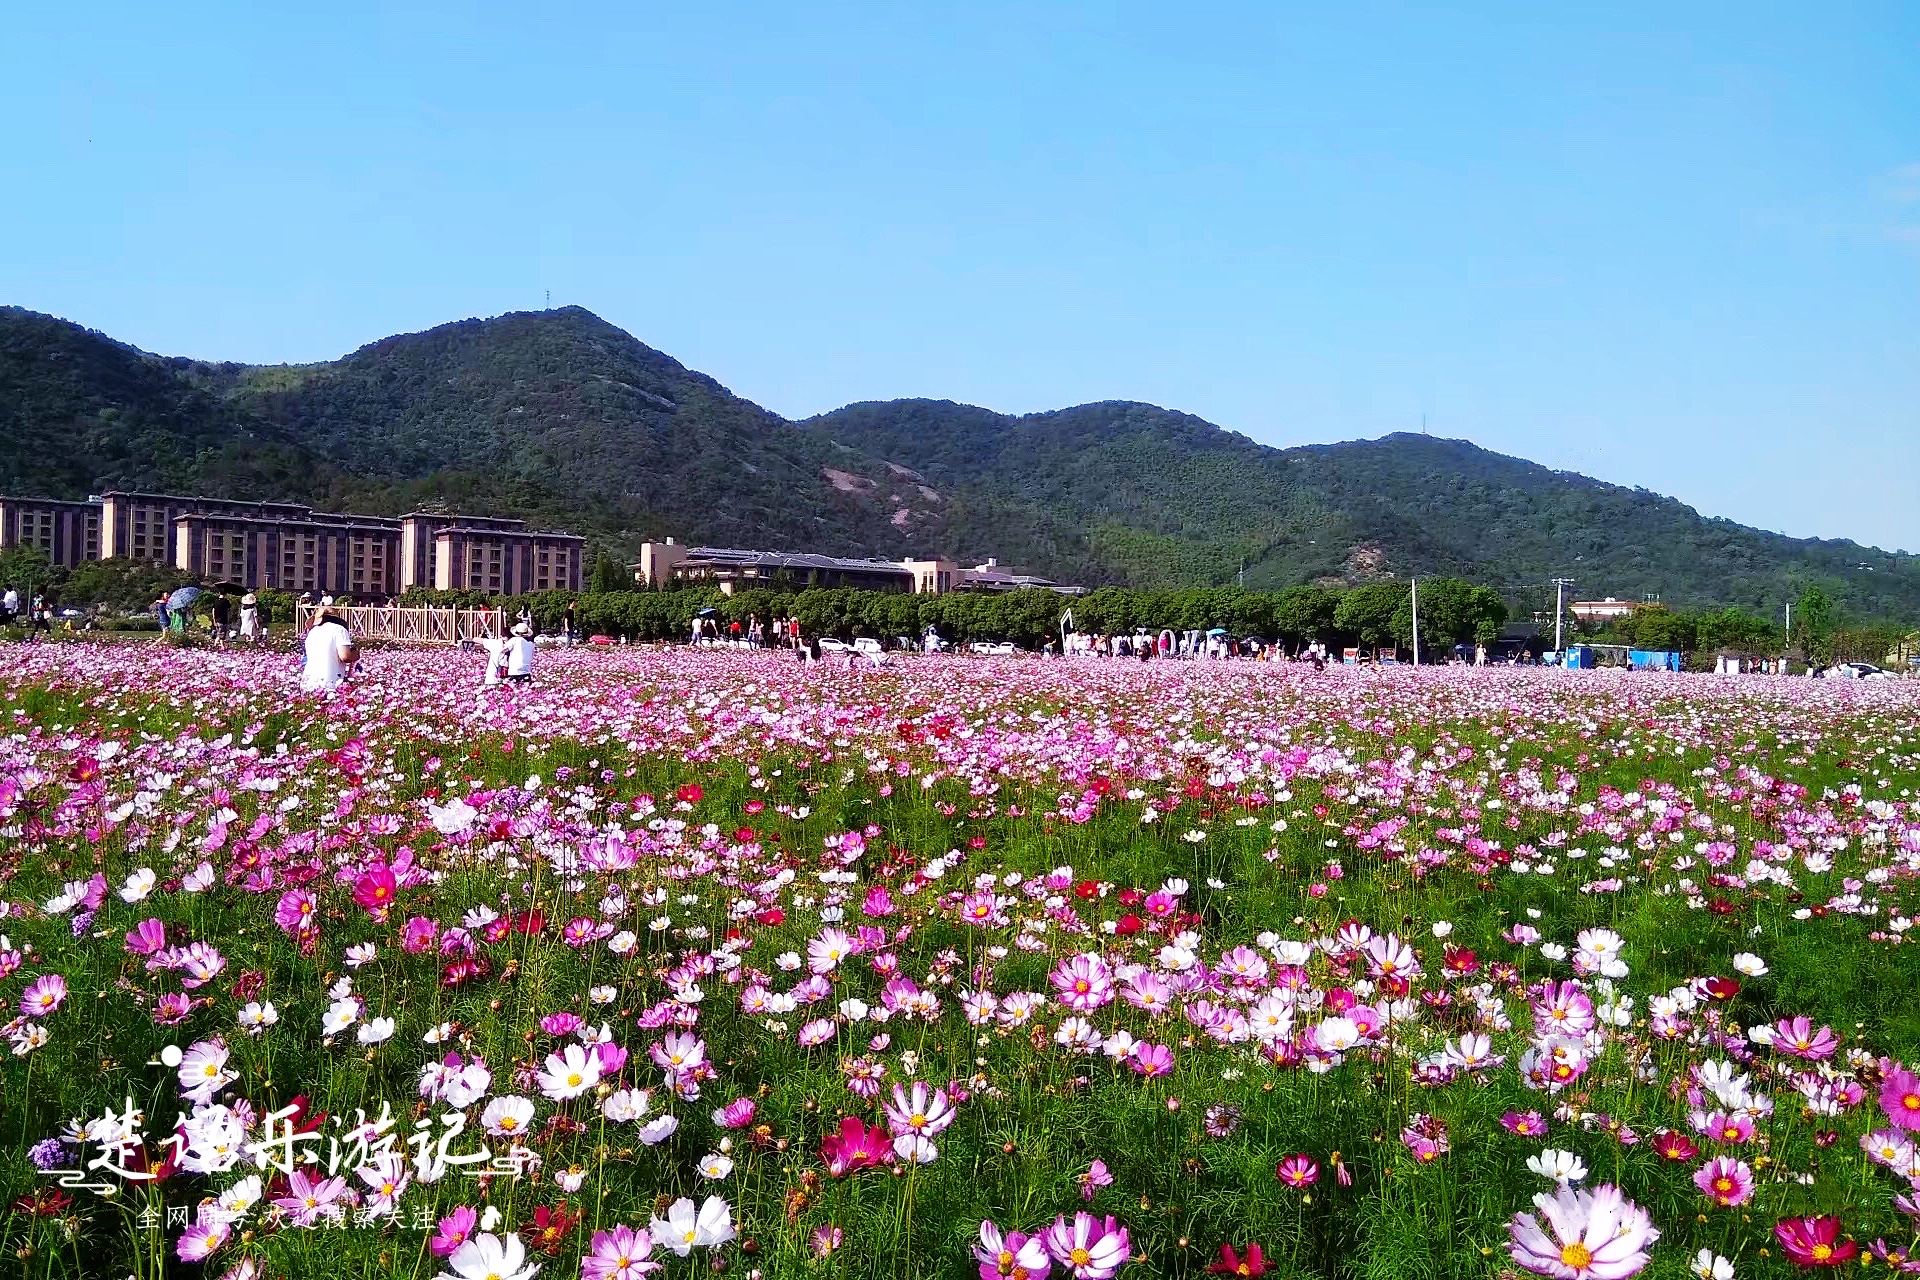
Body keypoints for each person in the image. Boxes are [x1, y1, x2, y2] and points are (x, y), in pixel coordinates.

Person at [300, 603, 358, 694]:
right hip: (329, 684)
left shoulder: (313, 632)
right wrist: (355, 655)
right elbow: (345, 656)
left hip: (308, 683)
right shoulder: (339, 629)